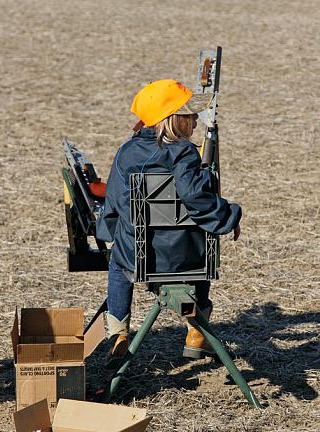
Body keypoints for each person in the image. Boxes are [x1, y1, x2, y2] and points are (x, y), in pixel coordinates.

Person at [96, 79, 241, 362]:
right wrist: (229, 214)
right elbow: (195, 196)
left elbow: (112, 200)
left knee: (117, 263)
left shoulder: (127, 151)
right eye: (189, 115)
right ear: (173, 120)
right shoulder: (184, 152)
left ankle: (118, 331)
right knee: (202, 247)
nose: (195, 120)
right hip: (184, 257)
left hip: (139, 257)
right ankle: (196, 333)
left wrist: (111, 234)